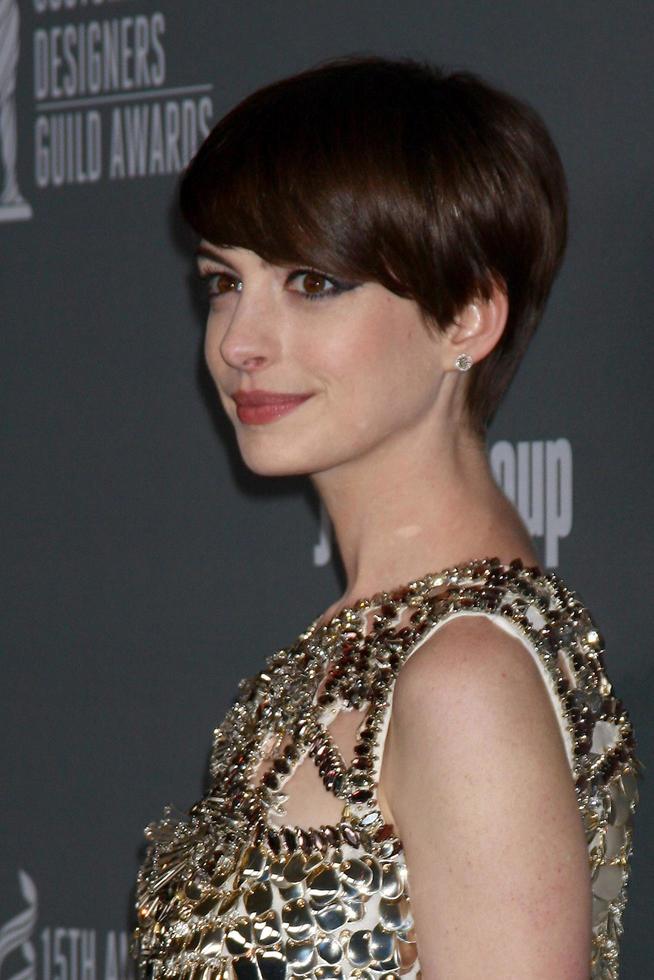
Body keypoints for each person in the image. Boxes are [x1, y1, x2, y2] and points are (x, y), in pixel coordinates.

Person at [131, 55, 640, 979]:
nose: (239, 342)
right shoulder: (375, 641)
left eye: (311, 283)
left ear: (468, 318)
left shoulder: (465, 676)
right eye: (224, 280)